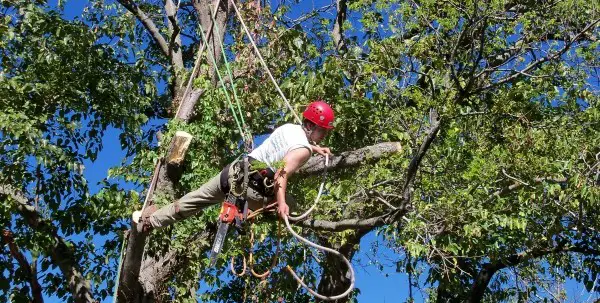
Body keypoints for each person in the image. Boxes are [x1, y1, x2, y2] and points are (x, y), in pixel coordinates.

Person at [133, 100, 335, 233]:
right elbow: (281, 174)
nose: (324, 135)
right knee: (295, 207)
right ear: (311, 126)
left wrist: (316, 148)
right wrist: (282, 204)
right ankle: (307, 224)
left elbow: (293, 147)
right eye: (322, 131)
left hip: (234, 172)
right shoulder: (303, 150)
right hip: (252, 189)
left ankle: (151, 221)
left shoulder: (289, 128)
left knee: (196, 198)